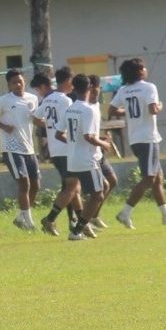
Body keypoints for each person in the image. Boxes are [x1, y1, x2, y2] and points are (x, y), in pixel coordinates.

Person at [109, 58, 166, 228]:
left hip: (135, 138)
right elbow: (153, 109)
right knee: (149, 178)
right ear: (139, 71)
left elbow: (112, 110)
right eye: (143, 67)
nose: (145, 69)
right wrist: (160, 105)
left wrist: (128, 111)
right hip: (148, 138)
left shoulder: (123, 90)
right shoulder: (149, 87)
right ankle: (125, 212)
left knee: (157, 178)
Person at [55, 74, 111, 241]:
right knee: (97, 195)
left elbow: (58, 134)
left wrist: (73, 144)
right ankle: (77, 230)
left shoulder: (69, 109)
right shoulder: (88, 110)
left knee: (92, 190)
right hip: (87, 159)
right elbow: (88, 137)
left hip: (72, 159)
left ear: (74, 88)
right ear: (90, 88)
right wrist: (104, 144)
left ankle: (79, 226)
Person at [0, 69, 43, 230]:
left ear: (24, 81)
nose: (18, 85)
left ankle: (21, 216)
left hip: (29, 148)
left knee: (36, 185)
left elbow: (35, 119)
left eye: (20, 81)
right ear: (9, 85)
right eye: (14, 82)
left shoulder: (33, 98)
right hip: (11, 148)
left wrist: (43, 123)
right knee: (24, 183)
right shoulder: (4, 100)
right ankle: (29, 222)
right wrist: (4, 127)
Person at [33, 68, 81, 235]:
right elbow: (71, 123)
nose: (73, 86)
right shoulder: (66, 101)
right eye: (72, 81)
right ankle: (50, 219)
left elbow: (36, 118)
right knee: (72, 187)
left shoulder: (47, 100)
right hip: (66, 147)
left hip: (55, 149)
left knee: (73, 187)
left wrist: (48, 126)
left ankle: (80, 222)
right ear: (67, 81)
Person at [89, 74, 117, 229]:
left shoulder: (96, 105)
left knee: (111, 181)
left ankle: (94, 216)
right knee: (101, 187)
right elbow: (84, 134)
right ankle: (83, 220)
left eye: (97, 88)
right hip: (89, 153)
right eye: (92, 88)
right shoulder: (83, 106)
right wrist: (100, 141)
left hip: (98, 150)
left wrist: (102, 138)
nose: (95, 91)